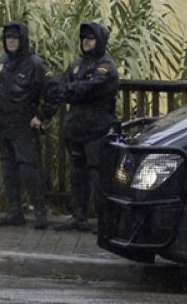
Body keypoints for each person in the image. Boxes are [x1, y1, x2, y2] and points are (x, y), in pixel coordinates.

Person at [0, 21, 56, 229]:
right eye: (8, 38)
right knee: (8, 170)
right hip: (2, 126)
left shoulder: (35, 64)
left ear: (22, 39)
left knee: (29, 169)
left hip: (23, 127)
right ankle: (15, 211)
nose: (11, 41)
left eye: (14, 38)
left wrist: (41, 116)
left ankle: (40, 213)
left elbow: (54, 91)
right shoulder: (0, 64)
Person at [53, 21, 119, 232]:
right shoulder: (76, 65)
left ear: (99, 41)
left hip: (97, 129)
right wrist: (74, 89)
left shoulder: (106, 66)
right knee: (77, 174)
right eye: (84, 38)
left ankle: (104, 221)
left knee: (97, 175)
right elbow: (60, 89)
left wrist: (74, 89)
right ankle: (78, 215)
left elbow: (93, 87)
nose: (86, 42)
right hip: (76, 128)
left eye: (90, 38)